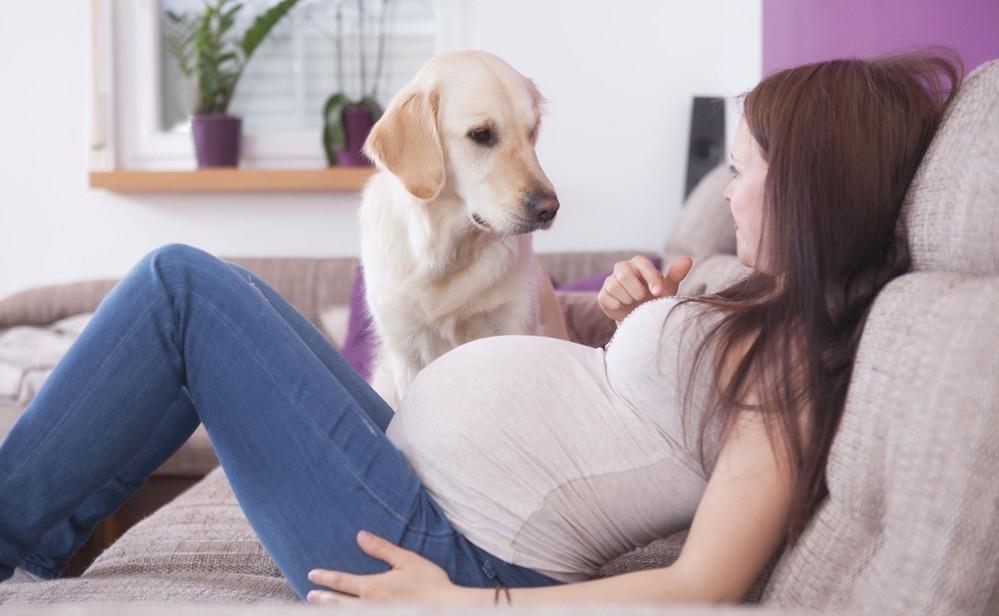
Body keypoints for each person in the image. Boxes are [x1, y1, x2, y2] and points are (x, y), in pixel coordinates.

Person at [0, 48, 962, 606]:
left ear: (804, 190)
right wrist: (622, 316)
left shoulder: (794, 363)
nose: (728, 190)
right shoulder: (756, 300)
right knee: (217, 291)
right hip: (417, 479)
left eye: (743, 169)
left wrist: (469, 605)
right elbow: (617, 416)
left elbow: (702, 585)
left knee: (180, 289)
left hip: (447, 549)